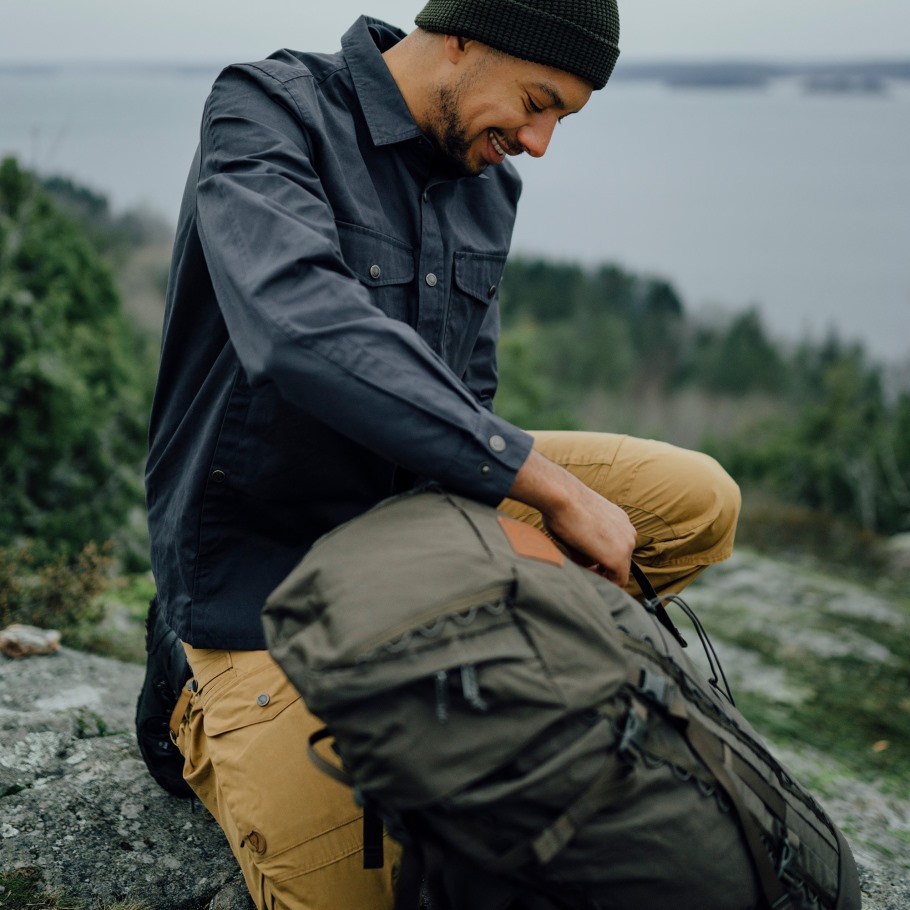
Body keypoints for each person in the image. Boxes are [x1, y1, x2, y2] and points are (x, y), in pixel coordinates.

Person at [144, 1, 741, 907]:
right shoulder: (267, 108)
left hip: (410, 526)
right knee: (364, 892)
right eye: (538, 102)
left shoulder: (486, 175)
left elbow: (470, 398)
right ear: (461, 36)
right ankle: (192, 703)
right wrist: (545, 491)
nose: (540, 142)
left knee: (697, 501)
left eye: (562, 120)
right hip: (256, 579)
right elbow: (297, 327)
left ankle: (481, 646)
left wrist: (520, 547)